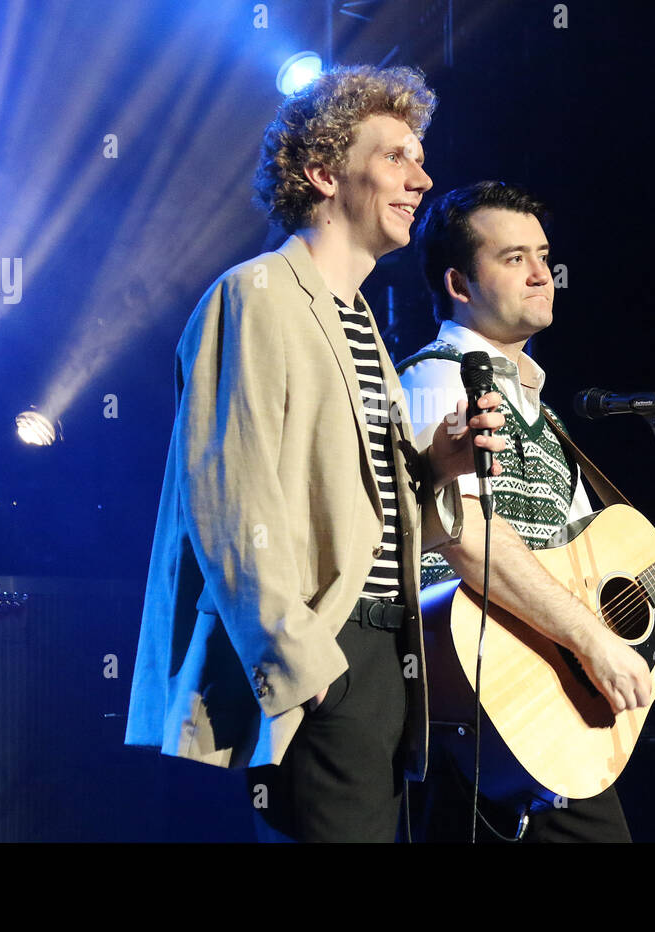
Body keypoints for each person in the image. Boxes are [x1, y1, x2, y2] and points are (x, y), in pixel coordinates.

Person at [124, 67, 506, 842]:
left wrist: (438, 465)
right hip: (325, 656)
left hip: (383, 653)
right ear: (324, 172)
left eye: (419, 156)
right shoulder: (256, 294)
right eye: (397, 156)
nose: (422, 177)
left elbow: (375, 521)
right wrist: (304, 667)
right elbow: (228, 503)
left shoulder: (359, 318)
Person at [397, 181, 655, 841]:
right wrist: (592, 640)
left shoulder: (537, 411)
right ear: (459, 284)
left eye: (544, 254)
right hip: (486, 700)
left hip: (546, 715)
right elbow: (464, 539)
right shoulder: (440, 379)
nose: (540, 274)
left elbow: (591, 569)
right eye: (512, 258)